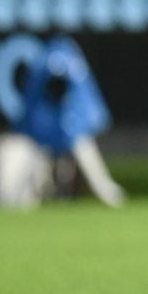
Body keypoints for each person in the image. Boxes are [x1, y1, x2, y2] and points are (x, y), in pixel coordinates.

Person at [19, 35, 126, 208]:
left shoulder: (60, 62)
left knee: (90, 164)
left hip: (71, 124)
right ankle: (25, 200)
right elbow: (54, 80)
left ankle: (111, 196)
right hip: (52, 125)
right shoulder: (52, 62)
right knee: (37, 167)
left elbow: (63, 84)